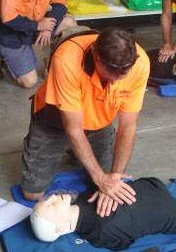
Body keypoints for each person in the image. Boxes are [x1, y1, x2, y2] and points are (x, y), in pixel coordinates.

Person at [21, 27, 150, 218]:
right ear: (96, 58)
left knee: (108, 186)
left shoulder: (140, 63)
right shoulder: (67, 59)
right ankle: (53, 147)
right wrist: (100, 179)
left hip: (98, 123)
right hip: (53, 122)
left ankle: (76, 151)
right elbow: (73, 129)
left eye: (121, 76)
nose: (114, 84)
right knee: (32, 194)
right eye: (109, 74)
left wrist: (114, 177)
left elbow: (128, 126)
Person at [30, 177, 176, 251]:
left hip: (165, 203)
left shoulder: (97, 234)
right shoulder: (99, 232)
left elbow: (123, 243)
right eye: (51, 206)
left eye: (47, 199)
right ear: (60, 228)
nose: (53, 197)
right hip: (160, 194)